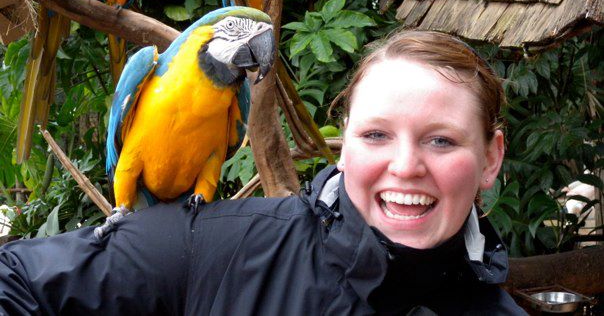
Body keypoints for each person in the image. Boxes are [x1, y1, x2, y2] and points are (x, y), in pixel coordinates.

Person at [0, 31, 526, 315]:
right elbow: (16, 277)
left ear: (491, 158)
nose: (406, 166)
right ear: (342, 147)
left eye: (441, 140)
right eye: (376, 134)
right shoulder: (220, 248)